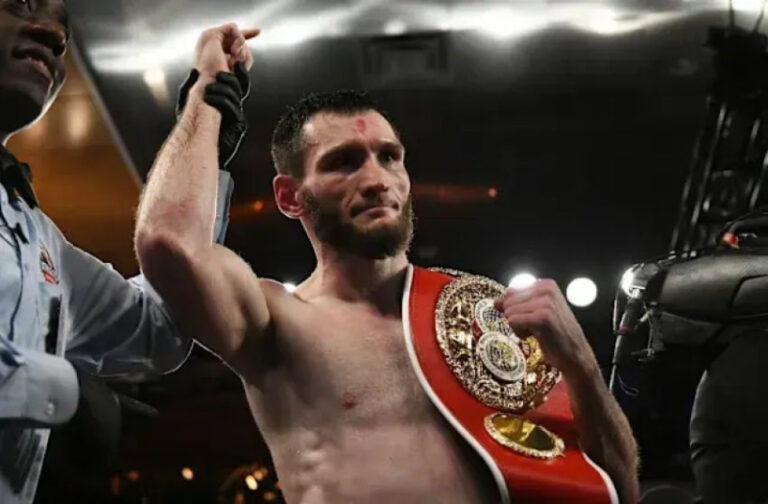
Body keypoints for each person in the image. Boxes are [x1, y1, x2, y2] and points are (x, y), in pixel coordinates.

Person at [136, 24, 640, 504]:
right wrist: (208, 98)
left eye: (389, 156)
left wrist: (581, 365)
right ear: (289, 197)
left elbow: (616, 487)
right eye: (344, 161)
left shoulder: (481, 317)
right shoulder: (276, 321)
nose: (377, 179)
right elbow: (166, 240)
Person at [0, 2, 245, 502]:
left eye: (64, 27)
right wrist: (62, 389)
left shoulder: (36, 235)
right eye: (20, 2)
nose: (54, 35)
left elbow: (159, 326)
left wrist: (202, 132)